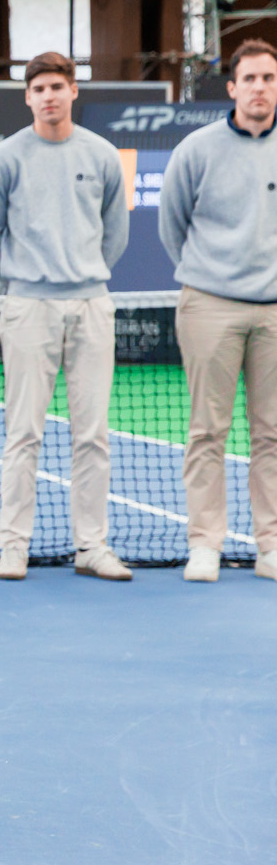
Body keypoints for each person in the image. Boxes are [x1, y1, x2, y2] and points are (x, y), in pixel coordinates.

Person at [0, 52, 130, 582]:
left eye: (57, 86)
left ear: (73, 92)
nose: (48, 96)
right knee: (23, 433)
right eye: (38, 88)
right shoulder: (6, 158)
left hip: (91, 307)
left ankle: (92, 547)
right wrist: (29, 280)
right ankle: (14, 546)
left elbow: (115, 234)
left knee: (92, 435)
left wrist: (82, 277)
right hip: (28, 308)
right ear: (27, 97)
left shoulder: (104, 155)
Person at [159, 36, 277, 584]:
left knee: (271, 434)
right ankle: (204, 544)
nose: (260, 87)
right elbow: (172, 227)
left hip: (274, 314)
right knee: (208, 431)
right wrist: (211, 279)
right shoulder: (196, 149)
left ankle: (270, 545)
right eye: (250, 79)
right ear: (231, 88)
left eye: (269, 78)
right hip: (209, 307)